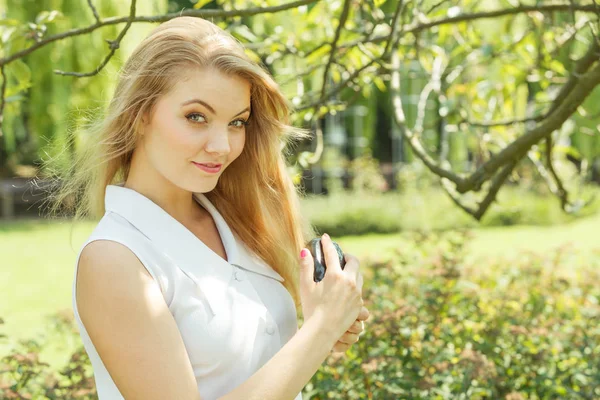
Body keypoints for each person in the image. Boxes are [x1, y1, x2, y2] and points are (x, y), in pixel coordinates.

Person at [48, 16, 369, 400]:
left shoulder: (237, 222)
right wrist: (320, 332)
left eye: (237, 122)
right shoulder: (115, 260)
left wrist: (328, 321)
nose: (222, 146)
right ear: (140, 114)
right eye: (196, 117)